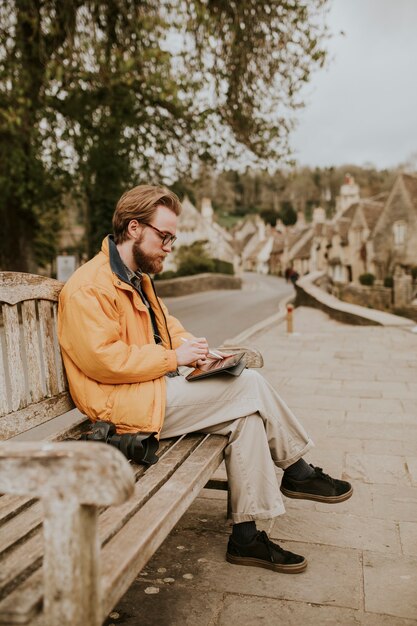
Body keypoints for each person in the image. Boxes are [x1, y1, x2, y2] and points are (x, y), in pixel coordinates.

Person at [58, 185, 352, 574]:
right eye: (165, 237)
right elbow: (102, 361)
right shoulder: (88, 286)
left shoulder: (136, 277)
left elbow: (169, 326)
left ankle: (247, 537)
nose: (170, 246)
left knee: (245, 417)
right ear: (133, 228)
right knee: (249, 385)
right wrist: (172, 358)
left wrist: (195, 348)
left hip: (147, 392)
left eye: (172, 238)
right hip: (118, 407)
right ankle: (297, 470)